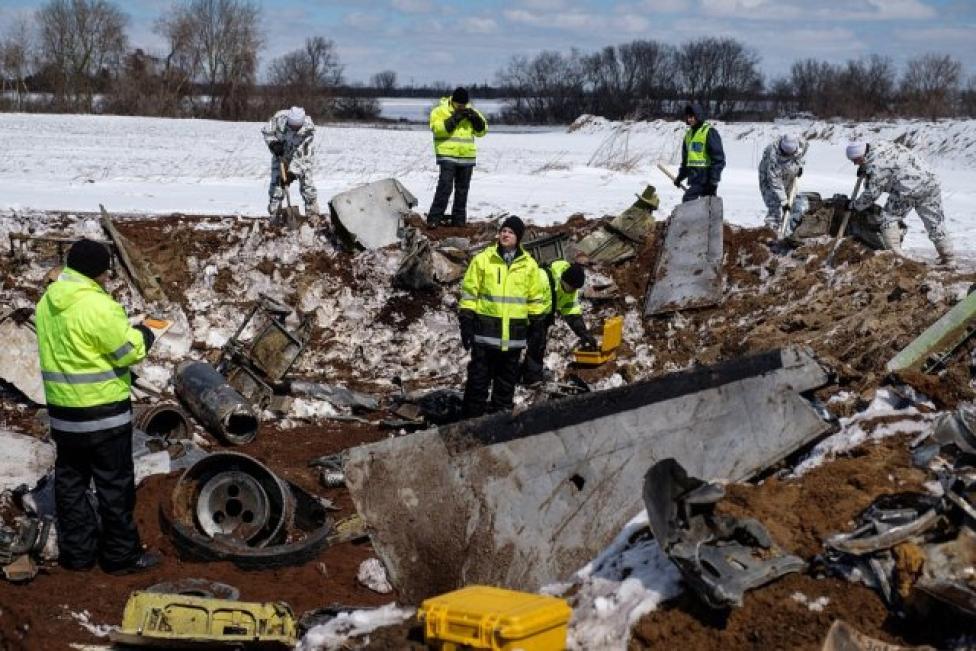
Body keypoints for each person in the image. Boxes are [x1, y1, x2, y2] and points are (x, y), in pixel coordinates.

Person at [35, 239, 160, 575]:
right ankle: (120, 558)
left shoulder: (47, 302)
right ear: (98, 272)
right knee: (114, 486)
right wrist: (145, 334)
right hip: (104, 414)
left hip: (64, 415)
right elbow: (127, 352)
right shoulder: (99, 306)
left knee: (71, 483)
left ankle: (77, 555)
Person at [458, 216, 545, 417]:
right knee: (477, 384)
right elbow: (470, 294)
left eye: (511, 232)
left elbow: (534, 299)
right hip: (485, 337)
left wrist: (537, 328)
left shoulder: (529, 265)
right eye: (503, 230)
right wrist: (466, 322)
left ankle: (499, 427)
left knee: (505, 387)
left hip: (513, 340)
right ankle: (470, 426)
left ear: (518, 238)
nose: (505, 234)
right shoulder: (483, 260)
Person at [846, 141, 954, 264]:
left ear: (861, 155)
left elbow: (872, 194)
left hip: (909, 189)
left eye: (855, 160)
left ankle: (897, 257)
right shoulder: (882, 146)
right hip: (930, 182)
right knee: (935, 222)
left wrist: (854, 206)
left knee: (888, 219)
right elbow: (887, 167)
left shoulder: (876, 165)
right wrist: (866, 170)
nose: (854, 164)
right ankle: (949, 258)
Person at [521, 260, 595, 385]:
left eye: (575, 289)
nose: (572, 291)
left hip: (541, 318)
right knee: (521, 346)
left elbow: (571, 312)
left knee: (538, 345)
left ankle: (531, 376)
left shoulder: (569, 290)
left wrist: (583, 333)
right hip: (525, 315)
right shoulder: (542, 278)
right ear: (563, 280)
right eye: (571, 288)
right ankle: (523, 376)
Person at [427, 87, 488, 227]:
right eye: (459, 105)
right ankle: (434, 219)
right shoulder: (439, 111)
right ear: (452, 101)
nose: (462, 107)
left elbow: (482, 131)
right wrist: (455, 118)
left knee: (462, 190)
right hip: (447, 155)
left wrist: (475, 119)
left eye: (464, 105)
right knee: (445, 187)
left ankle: (459, 221)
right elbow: (438, 130)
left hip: (467, 157)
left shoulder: (472, 111)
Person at [262, 106, 318, 217]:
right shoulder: (279, 119)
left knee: (307, 186)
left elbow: (304, 158)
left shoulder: (308, 131)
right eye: (292, 125)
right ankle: (274, 214)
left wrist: (292, 173)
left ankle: (313, 214)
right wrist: (273, 144)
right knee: (277, 185)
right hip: (280, 154)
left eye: (296, 127)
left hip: (300, 157)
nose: (294, 128)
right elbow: (267, 132)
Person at [674, 102, 725, 202]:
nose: (690, 119)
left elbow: (719, 159)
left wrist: (714, 179)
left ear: (699, 115)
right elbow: (686, 161)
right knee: (705, 207)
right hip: (694, 177)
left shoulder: (709, 132)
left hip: (706, 179)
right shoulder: (688, 135)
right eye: (688, 117)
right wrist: (680, 178)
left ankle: (687, 218)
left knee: (688, 199)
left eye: (692, 116)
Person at [759, 134, 808, 231]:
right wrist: (784, 202)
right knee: (775, 206)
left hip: (789, 175)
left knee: (794, 203)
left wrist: (799, 167)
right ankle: (770, 231)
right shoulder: (773, 156)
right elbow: (775, 182)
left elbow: (801, 155)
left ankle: (789, 232)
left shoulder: (802, 143)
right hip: (769, 180)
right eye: (786, 154)